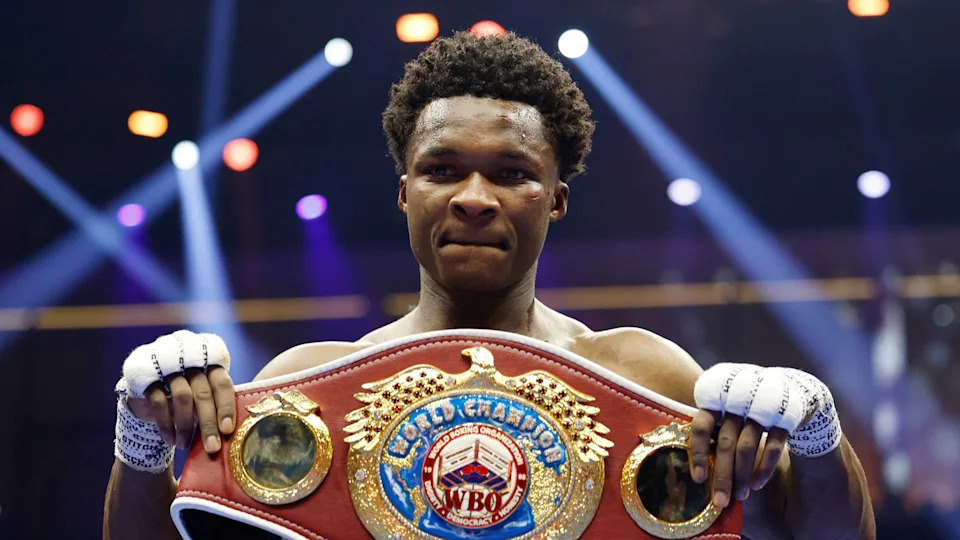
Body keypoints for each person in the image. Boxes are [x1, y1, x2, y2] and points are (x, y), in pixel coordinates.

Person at [103, 32, 875, 539]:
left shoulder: (642, 374)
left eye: (511, 174)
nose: (475, 196)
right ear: (405, 192)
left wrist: (815, 437)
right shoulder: (309, 389)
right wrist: (141, 437)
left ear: (556, 200)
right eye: (442, 169)